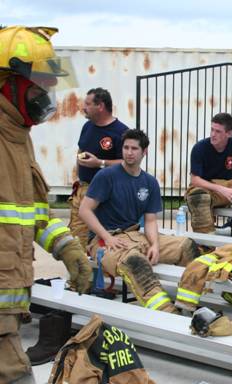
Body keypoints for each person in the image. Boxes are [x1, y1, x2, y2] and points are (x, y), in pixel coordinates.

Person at [0, 25, 92, 383]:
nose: (48, 94)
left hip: (8, 313)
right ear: (9, 82)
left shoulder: (19, 136)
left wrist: (68, 247)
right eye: (41, 83)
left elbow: (33, 211)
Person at [79, 129, 206, 314]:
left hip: (136, 235)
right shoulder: (106, 176)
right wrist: (107, 238)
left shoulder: (150, 182)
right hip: (105, 241)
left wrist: (154, 244)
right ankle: (168, 314)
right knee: (136, 264)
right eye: (126, 148)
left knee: (188, 246)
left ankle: (190, 304)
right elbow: (84, 210)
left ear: (144, 152)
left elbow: (151, 220)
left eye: (134, 148)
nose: (129, 152)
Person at [69, 88, 128, 250]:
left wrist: (100, 163)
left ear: (100, 106)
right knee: (77, 234)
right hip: (84, 188)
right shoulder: (87, 126)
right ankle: (81, 271)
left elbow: (127, 163)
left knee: (102, 238)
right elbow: (81, 151)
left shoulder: (121, 132)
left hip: (106, 194)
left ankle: (100, 272)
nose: (83, 107)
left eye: (88, 104)